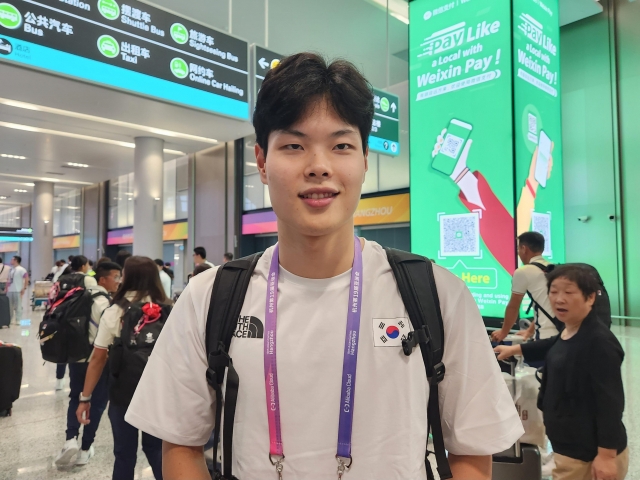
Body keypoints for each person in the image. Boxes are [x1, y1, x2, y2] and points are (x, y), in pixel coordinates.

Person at [126, 53, 522, 480]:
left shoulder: (436, 294)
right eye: (294, 145)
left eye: (341, 145)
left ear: (365, 160)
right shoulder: (210, 298)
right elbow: (180, 444)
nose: (318, 166)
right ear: (261, 161)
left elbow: (471, 450)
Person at [495, 265, 628, 480]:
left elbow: (610, 403)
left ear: (590, 297)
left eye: (568, 292)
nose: (559, 299)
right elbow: (554, 343)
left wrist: (607, 456)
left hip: (587, 455)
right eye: (554, 291)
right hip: (569, 448)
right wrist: (515, 348)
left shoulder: (598, 343)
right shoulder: (573, 329)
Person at [77, 256, 169, 480]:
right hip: (161, 393)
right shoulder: (168, 308)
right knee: (158, 451)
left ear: (127, 277)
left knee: (124, 454)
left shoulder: (115, 311)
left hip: (123, 392)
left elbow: (98, 358)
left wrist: (85, 397)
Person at [54, 258, 120, 467]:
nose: (118, 281)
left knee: (77, 396)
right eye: (115, 277)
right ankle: (84, 449)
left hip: (77, 358)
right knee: (97, 403)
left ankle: (70, 439)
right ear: (103, 279)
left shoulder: (80, 294)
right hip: (98, 360)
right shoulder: (103, 302)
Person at [492, 231, 558, 343]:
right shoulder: (554, 268)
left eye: (518, 249)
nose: (518, 252)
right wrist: (529, 331)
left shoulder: (523, 272)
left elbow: (514, 306)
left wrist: (503, 332)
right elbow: (544, 305)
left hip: (544, 338)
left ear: (524, 248)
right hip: (562, 334)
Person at [7, 256, 28, 325]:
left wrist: (24, 288)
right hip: (10, 290)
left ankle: (18, 319)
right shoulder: (11, 269)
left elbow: (26, 279)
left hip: (18, 290)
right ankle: (10, 319)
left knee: (18, 306)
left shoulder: (22, 269)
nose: (10, 260)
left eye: (12, 259)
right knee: (10, 306)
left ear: (16, 260)